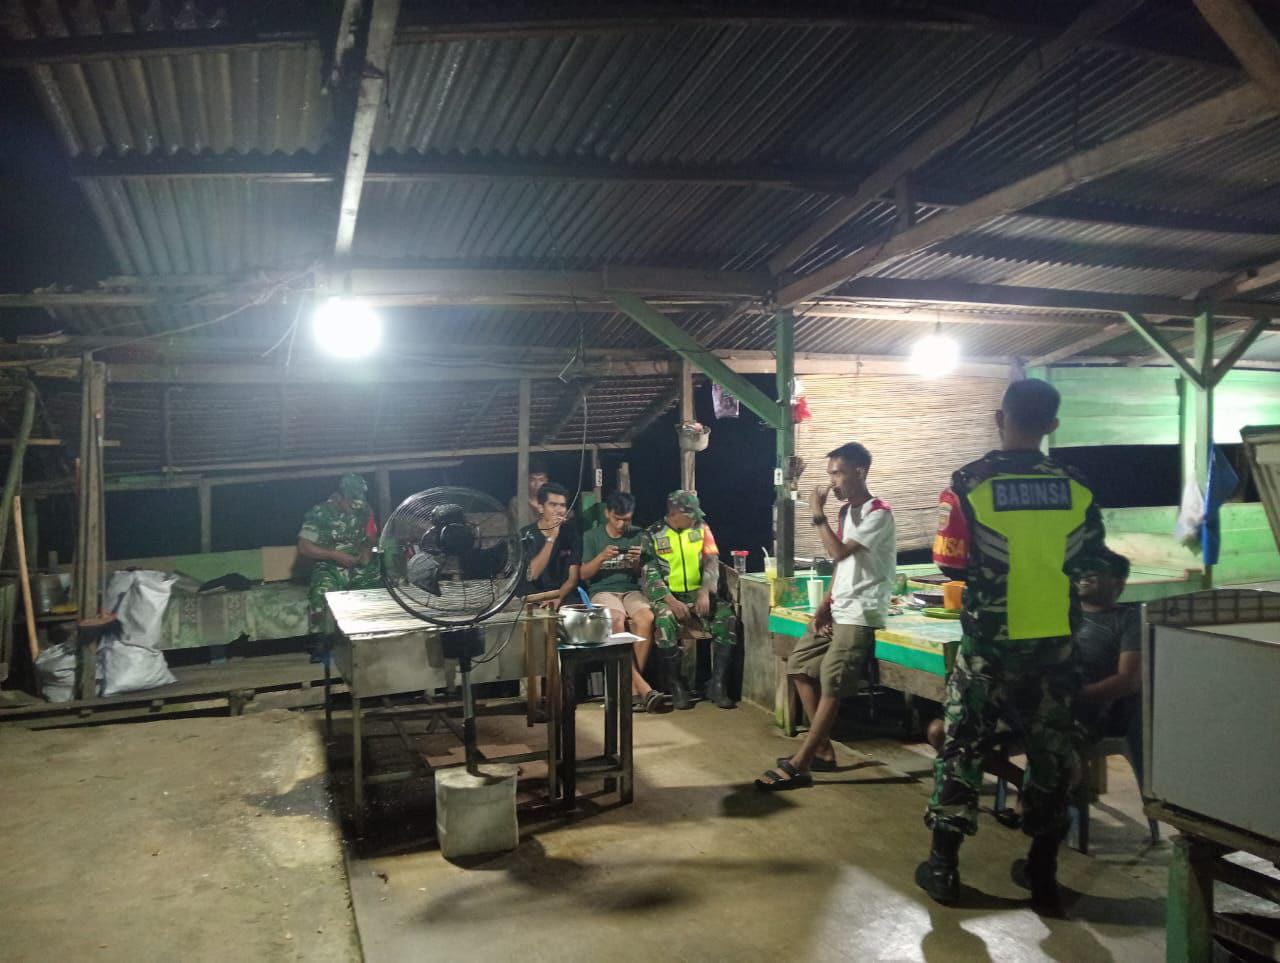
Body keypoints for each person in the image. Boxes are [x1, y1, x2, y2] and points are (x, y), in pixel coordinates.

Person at [918, 378, 1107, 914]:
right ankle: (1043, 874)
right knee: (1051, 752)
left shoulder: (970, 482)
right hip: (1055, 642)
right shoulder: (1076, 485)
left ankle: (944, 867)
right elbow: (1091, 561)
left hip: (990, 645)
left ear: (1000, 419)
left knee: (963, 746)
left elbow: (950, 562)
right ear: (1052, 425)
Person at [755, 443, 895, 789]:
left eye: (838, 473)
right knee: (799, 665)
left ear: (860, 471)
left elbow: (839, 552)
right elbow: (840, 566)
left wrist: (817, 514)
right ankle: (824, 750)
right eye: (830, 473)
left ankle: (800, 764)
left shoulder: (878, 513)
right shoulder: (847, 512)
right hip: (840, 606)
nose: (832, 481)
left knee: (832, 679)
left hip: (861, 611)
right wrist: (825, 604)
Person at [641, 490, 735, 710]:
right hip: (668, 595)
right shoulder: (652, 534)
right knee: (664, 621)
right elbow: (649, 571)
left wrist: (705, 591)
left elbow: (712, 561)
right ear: (675, 512)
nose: (695, 518)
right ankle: (676, 684)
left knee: (727, 618)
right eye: (690, 514)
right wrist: (669, 600)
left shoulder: (702, 529)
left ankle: (717, 684)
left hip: (698, 592)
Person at [580, 491, 671, 714]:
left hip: (630, 589)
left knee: (647, 618)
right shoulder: (592, 536)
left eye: (626, 519)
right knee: (616, 620)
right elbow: (583, 574)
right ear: (607, 513)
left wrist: (636, 562)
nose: (621, 525)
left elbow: (641, 573)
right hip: (602, 590)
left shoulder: (638, 534)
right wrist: (601, 557)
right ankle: (641, 689)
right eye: (617, 519)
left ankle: (628, 688)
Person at [297, 473, 381, 648]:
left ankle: (372, 639)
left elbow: (371, 536)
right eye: (351, 502)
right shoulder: (321, 513)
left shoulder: (365, 509)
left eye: (358, 501)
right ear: (341, 496)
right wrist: (334, 555)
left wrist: (366, 550)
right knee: (322, 592)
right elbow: (304, 547)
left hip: (358, 565)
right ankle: (322, 644)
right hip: (330, 566)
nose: (355, 507)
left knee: (379, 589)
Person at [1073, 549, 1141, 749]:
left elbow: (1128, 681)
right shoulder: (1062, 613)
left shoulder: (1129, 620)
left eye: (1094, 571)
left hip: (1090, 711)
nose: (1084, 576)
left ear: (1117, 582)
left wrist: (1074, 697)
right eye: (1082, 571)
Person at [519, 482, 580, 609]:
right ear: (541, 508)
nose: (559, 510)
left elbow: (573, 578)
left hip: (562, 595)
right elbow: (532, 574)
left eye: (562, 505)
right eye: (553, 505)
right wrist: (552, 537)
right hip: (534, 597)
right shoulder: (526, 534)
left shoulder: (571, 534)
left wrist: (558, 598)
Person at [509, 459, 550, 528]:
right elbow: (518, 529)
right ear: (526, 481)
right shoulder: (517, 503)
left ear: (546, 481)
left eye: (541, 480)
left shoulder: (553, 501)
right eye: (532, 480)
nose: (537, 484)